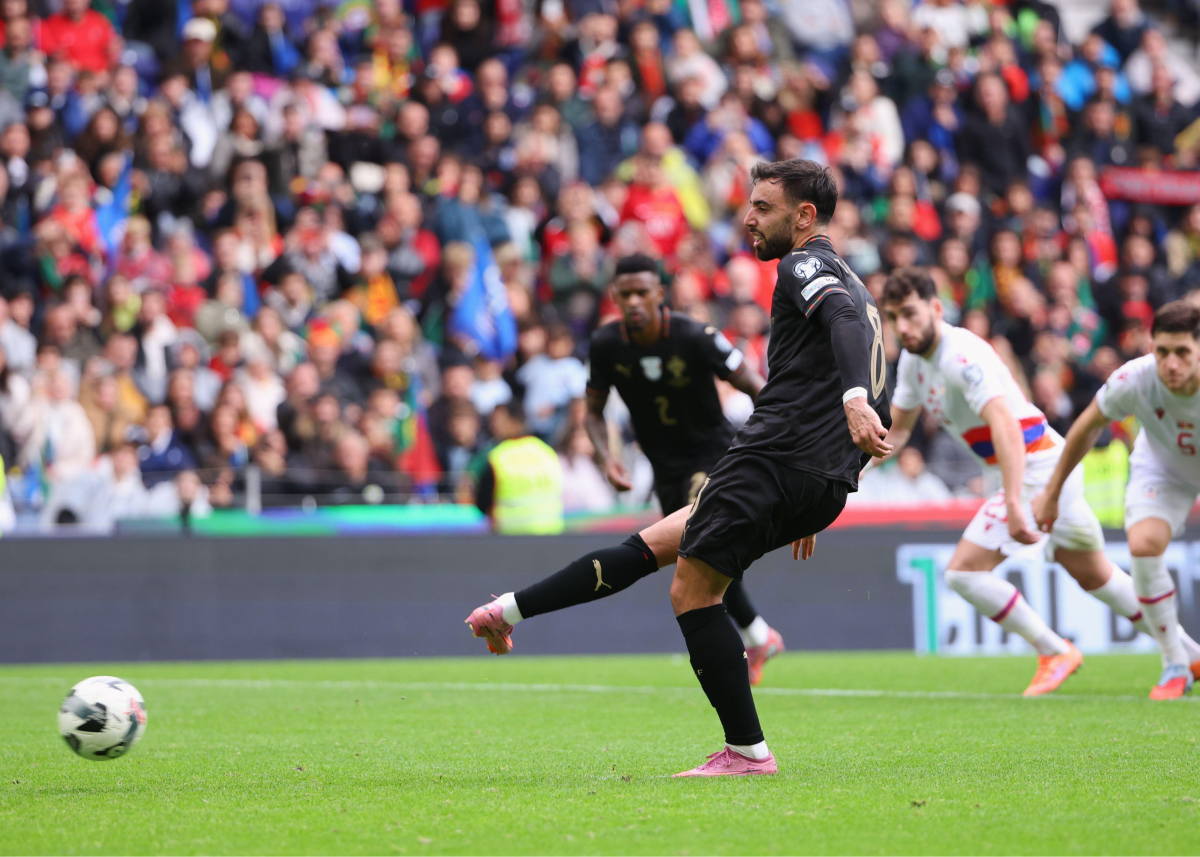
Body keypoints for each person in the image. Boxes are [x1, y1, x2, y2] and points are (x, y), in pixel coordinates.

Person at [467, 159, 892, 777]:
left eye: (764, 208)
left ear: (804, 217)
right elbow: (857, 356)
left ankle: (747, 753)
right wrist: (824, 474)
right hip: (810, 474)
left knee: (694, 590)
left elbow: (843, 334)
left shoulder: (806, 265)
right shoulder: (857, 284)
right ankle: (504, 613)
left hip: (773, 458)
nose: (748, 217)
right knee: (652, 544)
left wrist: (847, 410)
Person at [1033, 301, 1200, 699]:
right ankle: (1175, 662)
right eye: (1163, 352)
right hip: (1164, 467)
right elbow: (1085, 427)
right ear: (1150, 346)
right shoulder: (1134, 378)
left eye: (1182, 353)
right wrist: (1052, 493)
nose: (1171, 363)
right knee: (1143, 545)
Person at [473, 401, 564, 535]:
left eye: (498, 421)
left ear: (515, 422)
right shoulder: (547, 452)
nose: (493, 426)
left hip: (511, 540)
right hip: (551, 536)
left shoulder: (498, 457)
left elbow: (481, 504)